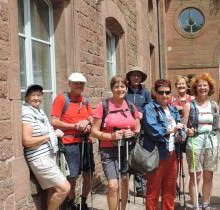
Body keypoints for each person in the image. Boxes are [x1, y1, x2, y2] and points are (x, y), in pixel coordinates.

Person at [91, 75, 141, 210]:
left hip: (126, 149)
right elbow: (94, 131)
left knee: (124, 182)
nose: (120, 89)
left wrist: (132, 134)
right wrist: (111, 136)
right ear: (112, 89)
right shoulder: (104, 106)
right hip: (108, 150)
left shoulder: (130, 106)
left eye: (123, 86)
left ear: (126, 88)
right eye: (117, 86)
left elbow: (137, 128)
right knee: (113, 185)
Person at [22, 84, 70, 210]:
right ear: (27, 97)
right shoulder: (27, 114)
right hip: (40, 158)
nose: (36, 98)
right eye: (33, 95)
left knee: (53, 189)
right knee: (64, 188)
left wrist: (54, 134)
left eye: (39, 95)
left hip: (48, 155)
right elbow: (27, 141)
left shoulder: (40, 112)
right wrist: (50, 136)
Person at [51, 73, 94, 210]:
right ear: (69, 84)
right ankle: (69, 203)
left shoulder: (86, 100)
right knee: (72, 176)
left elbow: (92, 118)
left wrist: (87, 121)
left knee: (88, 174)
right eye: (76, 83)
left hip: (86, 142)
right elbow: (54, 121)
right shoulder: (61, 99)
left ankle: (83, 202)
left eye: (81, 83)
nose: (79, 86)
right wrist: (74, 126)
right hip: (69, 143)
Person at [142, 79, 185, 210]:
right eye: (161, 92)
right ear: (155, 92)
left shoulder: (173, 109)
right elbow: (154, 130)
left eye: (167, 92)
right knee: (153, 190)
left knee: (170, 189)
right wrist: (171, 129)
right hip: (156, 154)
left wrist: (184, 131)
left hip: (173, 154)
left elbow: (181, 127)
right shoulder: (149, 108)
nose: (164, 95)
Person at [182, 73, 220, 210]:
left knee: (208, 175)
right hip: (194, 143)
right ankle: (195, 205)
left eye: (205, 85)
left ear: (210, 88)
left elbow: (219, 125)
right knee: (195, 176)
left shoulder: (214, 105)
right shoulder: (189, 105)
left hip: (211, 143)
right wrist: (187, 131)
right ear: (195, 88)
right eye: (200, 86)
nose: (203, 88)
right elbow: (183, 126)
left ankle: (206, 203)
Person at [125, 66, 152, 197]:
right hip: (126, 128)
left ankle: (141, 187)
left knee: (140, 158)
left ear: (141, 78)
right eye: (133, 75)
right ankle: (124, 185)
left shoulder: (145, 92)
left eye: (138, 75)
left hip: (141, 129)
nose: (136, 77)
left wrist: (143, 114)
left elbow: (150, 107)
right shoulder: (125, 91)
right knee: (127, 157)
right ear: (129, 77)